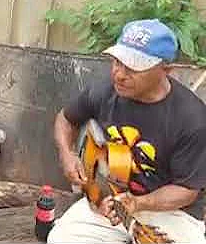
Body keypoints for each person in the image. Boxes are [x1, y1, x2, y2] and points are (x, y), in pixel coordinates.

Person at [49, 18, 206, 243]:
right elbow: (65, 119)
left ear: (166, 69)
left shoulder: (193, 119)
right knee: (61, 239)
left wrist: (138, 203)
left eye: (133, 67)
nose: (119, 74)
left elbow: (187, 190)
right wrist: (67, 153)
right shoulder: (105, 90)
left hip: (170, 211)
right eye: (117, 62)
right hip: (109, 199)